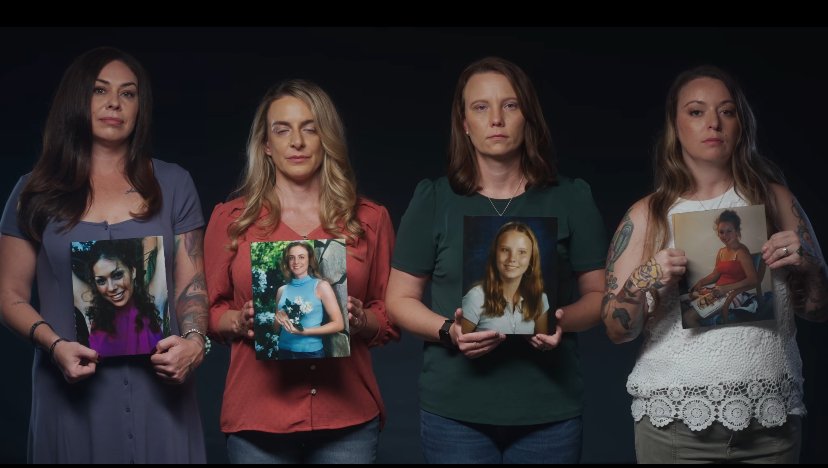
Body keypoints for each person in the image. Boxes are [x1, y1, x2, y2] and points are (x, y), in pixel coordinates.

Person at [386, 57, 607, 463]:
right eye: (481, 107)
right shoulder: (434, 199)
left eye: (510, 105)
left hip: (549, 409)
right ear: (464, 123)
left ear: (528, 117)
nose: (497, 120)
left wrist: (560, 320)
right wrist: (447, 331)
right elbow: (398, 299)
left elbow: (599, 296)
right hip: (454, 412)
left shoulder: (572, 197)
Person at [602, 65, 828, 463]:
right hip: (674, 425)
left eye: (726, 111)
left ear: (741, 123)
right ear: (675, 124)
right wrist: (642, 280)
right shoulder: (647, 214)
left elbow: (818, 311)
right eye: (696, 111)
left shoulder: (776, 200)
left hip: (771, 423)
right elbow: (618, 331)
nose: (713, 123)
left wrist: (806, 265)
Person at [0, 47, 208, 463]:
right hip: (69, 398)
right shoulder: (32, 190)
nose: (114, 103)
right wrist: (54, 344)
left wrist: (194, 343)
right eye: (100, 90)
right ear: (78, 99)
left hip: (162, 397)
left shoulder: (174, 183)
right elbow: (9, 295)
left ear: (139, 108)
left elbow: (193, 287)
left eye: (128, 94)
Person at [204, 78, 398, 463]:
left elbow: (388, 317)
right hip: (257, 418)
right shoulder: (230, 220)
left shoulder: (369, 219)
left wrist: (360, 321)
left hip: (347, 417)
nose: (297, 141)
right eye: (283, 130)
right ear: (266, 146)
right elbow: (207, 314)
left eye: (310, 128)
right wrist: (238, 321)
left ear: (326, 139)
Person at [72, 238, 166, 357]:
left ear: (132, 271)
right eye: (101, 281)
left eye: (117, 275)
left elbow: (164, 243)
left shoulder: (153, 300)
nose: (111, 288)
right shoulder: (91, 309)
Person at [461, 221, 550, 335]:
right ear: (495, 254)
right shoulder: (475, 297)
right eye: (505, 250)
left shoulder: (540, 299)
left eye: (522, 252)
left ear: (531, 259)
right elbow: (459, 342)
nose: (512, 258)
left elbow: (542, 347)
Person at [685, 209, 759, 325]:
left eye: (729, 231)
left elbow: (753, 279)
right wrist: (701, 282)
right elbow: (715, 274)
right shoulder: (721, 251)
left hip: (734, 294)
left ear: (737, 231)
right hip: (718, 292)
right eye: (721, 232)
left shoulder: (741, 252)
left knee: (688, 317)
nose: (724, 236)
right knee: (686, 299)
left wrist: (726, 288)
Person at [273, 240, 345, 359]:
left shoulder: (321, 286)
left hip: (311, 353)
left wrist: (304, 331)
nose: (296, 262)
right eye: (292, 258)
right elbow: (275, 329)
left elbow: (338, 324)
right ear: (287, 261)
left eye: (301, 257)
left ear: (309, 260)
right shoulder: (281, 290)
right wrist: (278, 319)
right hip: (283, 350)